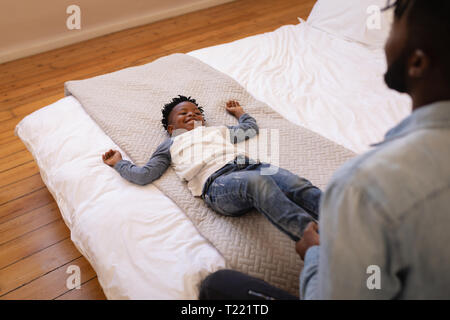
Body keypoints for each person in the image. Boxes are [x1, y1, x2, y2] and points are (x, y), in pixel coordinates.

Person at [199, 0, 450, 300]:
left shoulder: (366, 184)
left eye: (394, 23)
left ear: (418, 62)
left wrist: (315, 254)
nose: (387, 35)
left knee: (216, 288)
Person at [102, 95, 322, 242]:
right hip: (217, 185)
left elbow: (249, 129)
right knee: (259, 183)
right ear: (171, 128)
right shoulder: (171, 144)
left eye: (197, 113)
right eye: (184, 114)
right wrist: (119, 163)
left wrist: (240, 113)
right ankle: (313, 238)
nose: (192, 115)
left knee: (295, 183)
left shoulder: (216, 131)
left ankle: (340, 215)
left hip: (252, 166)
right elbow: (144, 174)